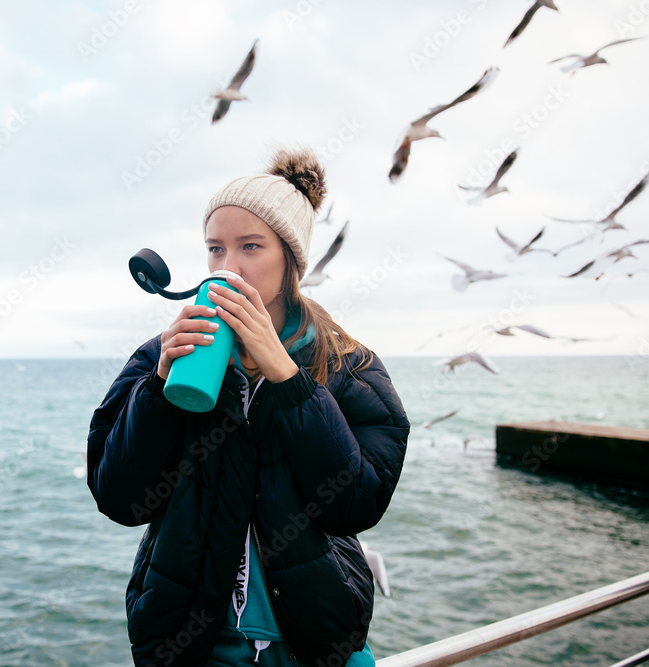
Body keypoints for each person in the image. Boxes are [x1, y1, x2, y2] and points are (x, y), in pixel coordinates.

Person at [88, 147, 409, 667]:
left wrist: (287, 380)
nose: (228, 266)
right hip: (192, 646)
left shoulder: (348, 364)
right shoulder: (162, 353)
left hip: (315, 645)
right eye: (215, 249)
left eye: (250, 247)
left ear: (291, 260)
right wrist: (159, 387)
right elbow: (120, 499)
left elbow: (356, 505)